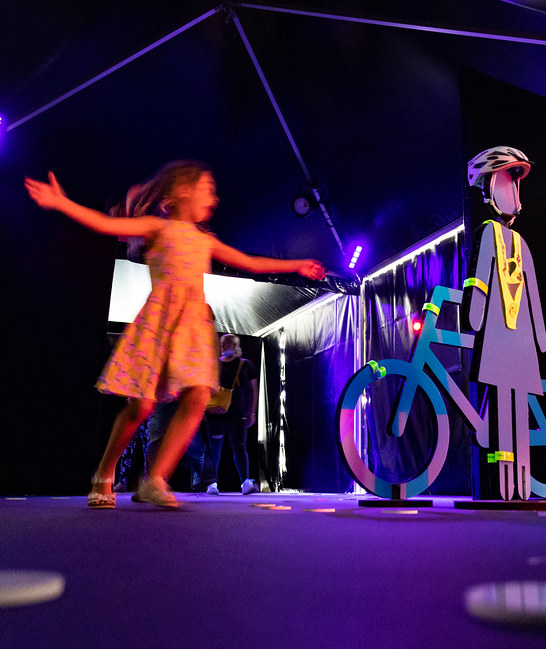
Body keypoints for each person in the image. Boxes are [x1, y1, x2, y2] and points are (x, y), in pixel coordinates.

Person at [25, 161, 326, 508]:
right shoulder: (157, 227)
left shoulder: (204, 240)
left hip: (192, 326)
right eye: (207, 189)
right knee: (140, 407)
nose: (214, 198)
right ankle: (103, 473)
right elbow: (106, 224)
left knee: (198, 395)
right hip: (159, 324)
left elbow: (250, 262)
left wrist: (297, 265)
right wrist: (62, 203)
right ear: (181, 191)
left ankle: (154, 479)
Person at [463, 146, 546, 501]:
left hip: (520, 337)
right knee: (501, 407)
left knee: (518, 406)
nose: (513, 194)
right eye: (505, 185)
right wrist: (474, 312)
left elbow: (532, 289)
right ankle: (504, 479)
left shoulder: (521, 243)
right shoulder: (487, 234)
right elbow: (480, 277)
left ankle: (522, 480)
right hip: (498, 333)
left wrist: (540, 332)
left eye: (515, 186)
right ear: (489, 191)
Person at [204, 334, 257, 495]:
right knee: (214, 448)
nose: (224, 347)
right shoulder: (215, 365)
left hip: (238, 413)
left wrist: (252, 412)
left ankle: (245, 482)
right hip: (216, 412)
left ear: (235, 346)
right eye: (222, 344)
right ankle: (211, 483)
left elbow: (253, 389)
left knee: (239, 447)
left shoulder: (245, 365)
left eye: (228, 344)